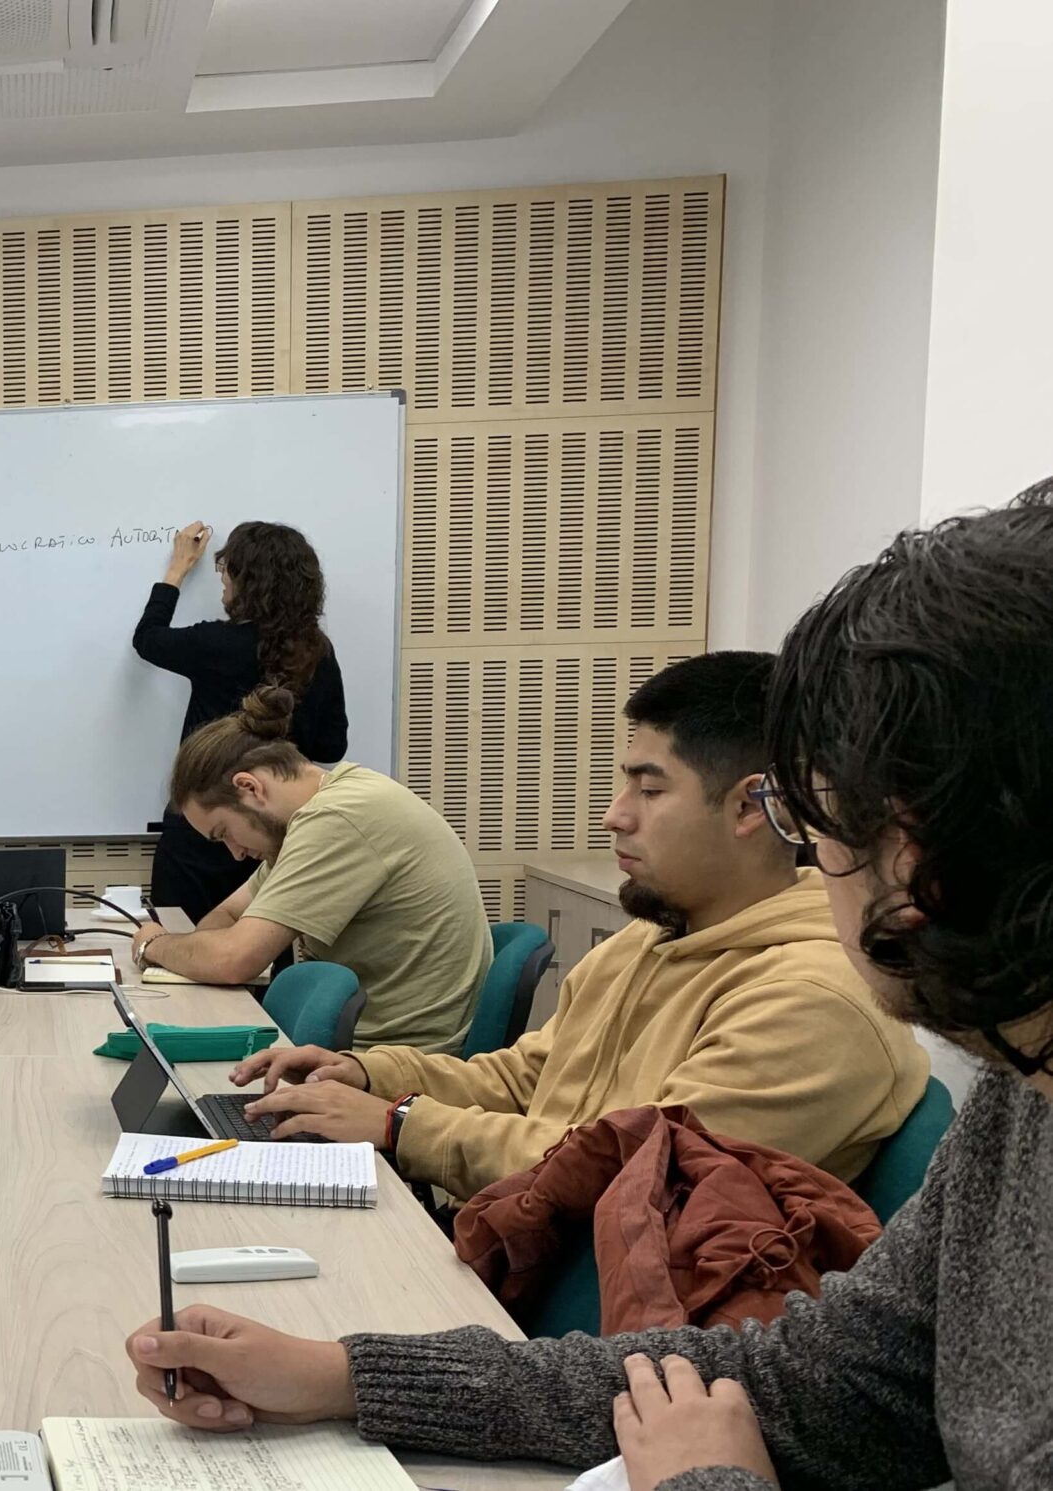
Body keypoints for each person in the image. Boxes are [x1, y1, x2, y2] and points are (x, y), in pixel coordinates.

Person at [121, 484, 1053, 1491]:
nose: (814, 848)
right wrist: (343, 1374)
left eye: (820, 817)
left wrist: (707, 1484)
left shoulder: (824, 1005)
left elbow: (645, 1197)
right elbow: (811, 1380)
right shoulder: (1019, 1102)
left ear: (922, 853)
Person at [232, 652, 928, 1201]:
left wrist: (401, 1125)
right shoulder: (651, 939)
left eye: (650, 789)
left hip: (614, 1342)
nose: (615, 814)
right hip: (525, 1255)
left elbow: (630, 1170)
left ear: (751, 806)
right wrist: (368, 1072)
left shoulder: (812, 1003)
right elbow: (529, 1077)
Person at [130, 686, 488, 1055]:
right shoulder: (324, 807)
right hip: (370, 1047)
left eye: (224, 833)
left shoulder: (336, 818)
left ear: (249, 787)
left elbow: (234, 959)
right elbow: (226, 915)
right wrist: (207, 951)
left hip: (398, 1060)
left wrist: (154, 945)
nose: (235, 854)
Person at [134, 521, 348, 920]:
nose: (223, 583)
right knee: (264, 959)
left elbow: (147, 639)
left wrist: (176, 570)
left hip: (200, 827)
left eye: (226, 571)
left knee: (182, 955)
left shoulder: (215, 644)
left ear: (247, 581)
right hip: (277, 829)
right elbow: (332, 747)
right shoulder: (316, 650)